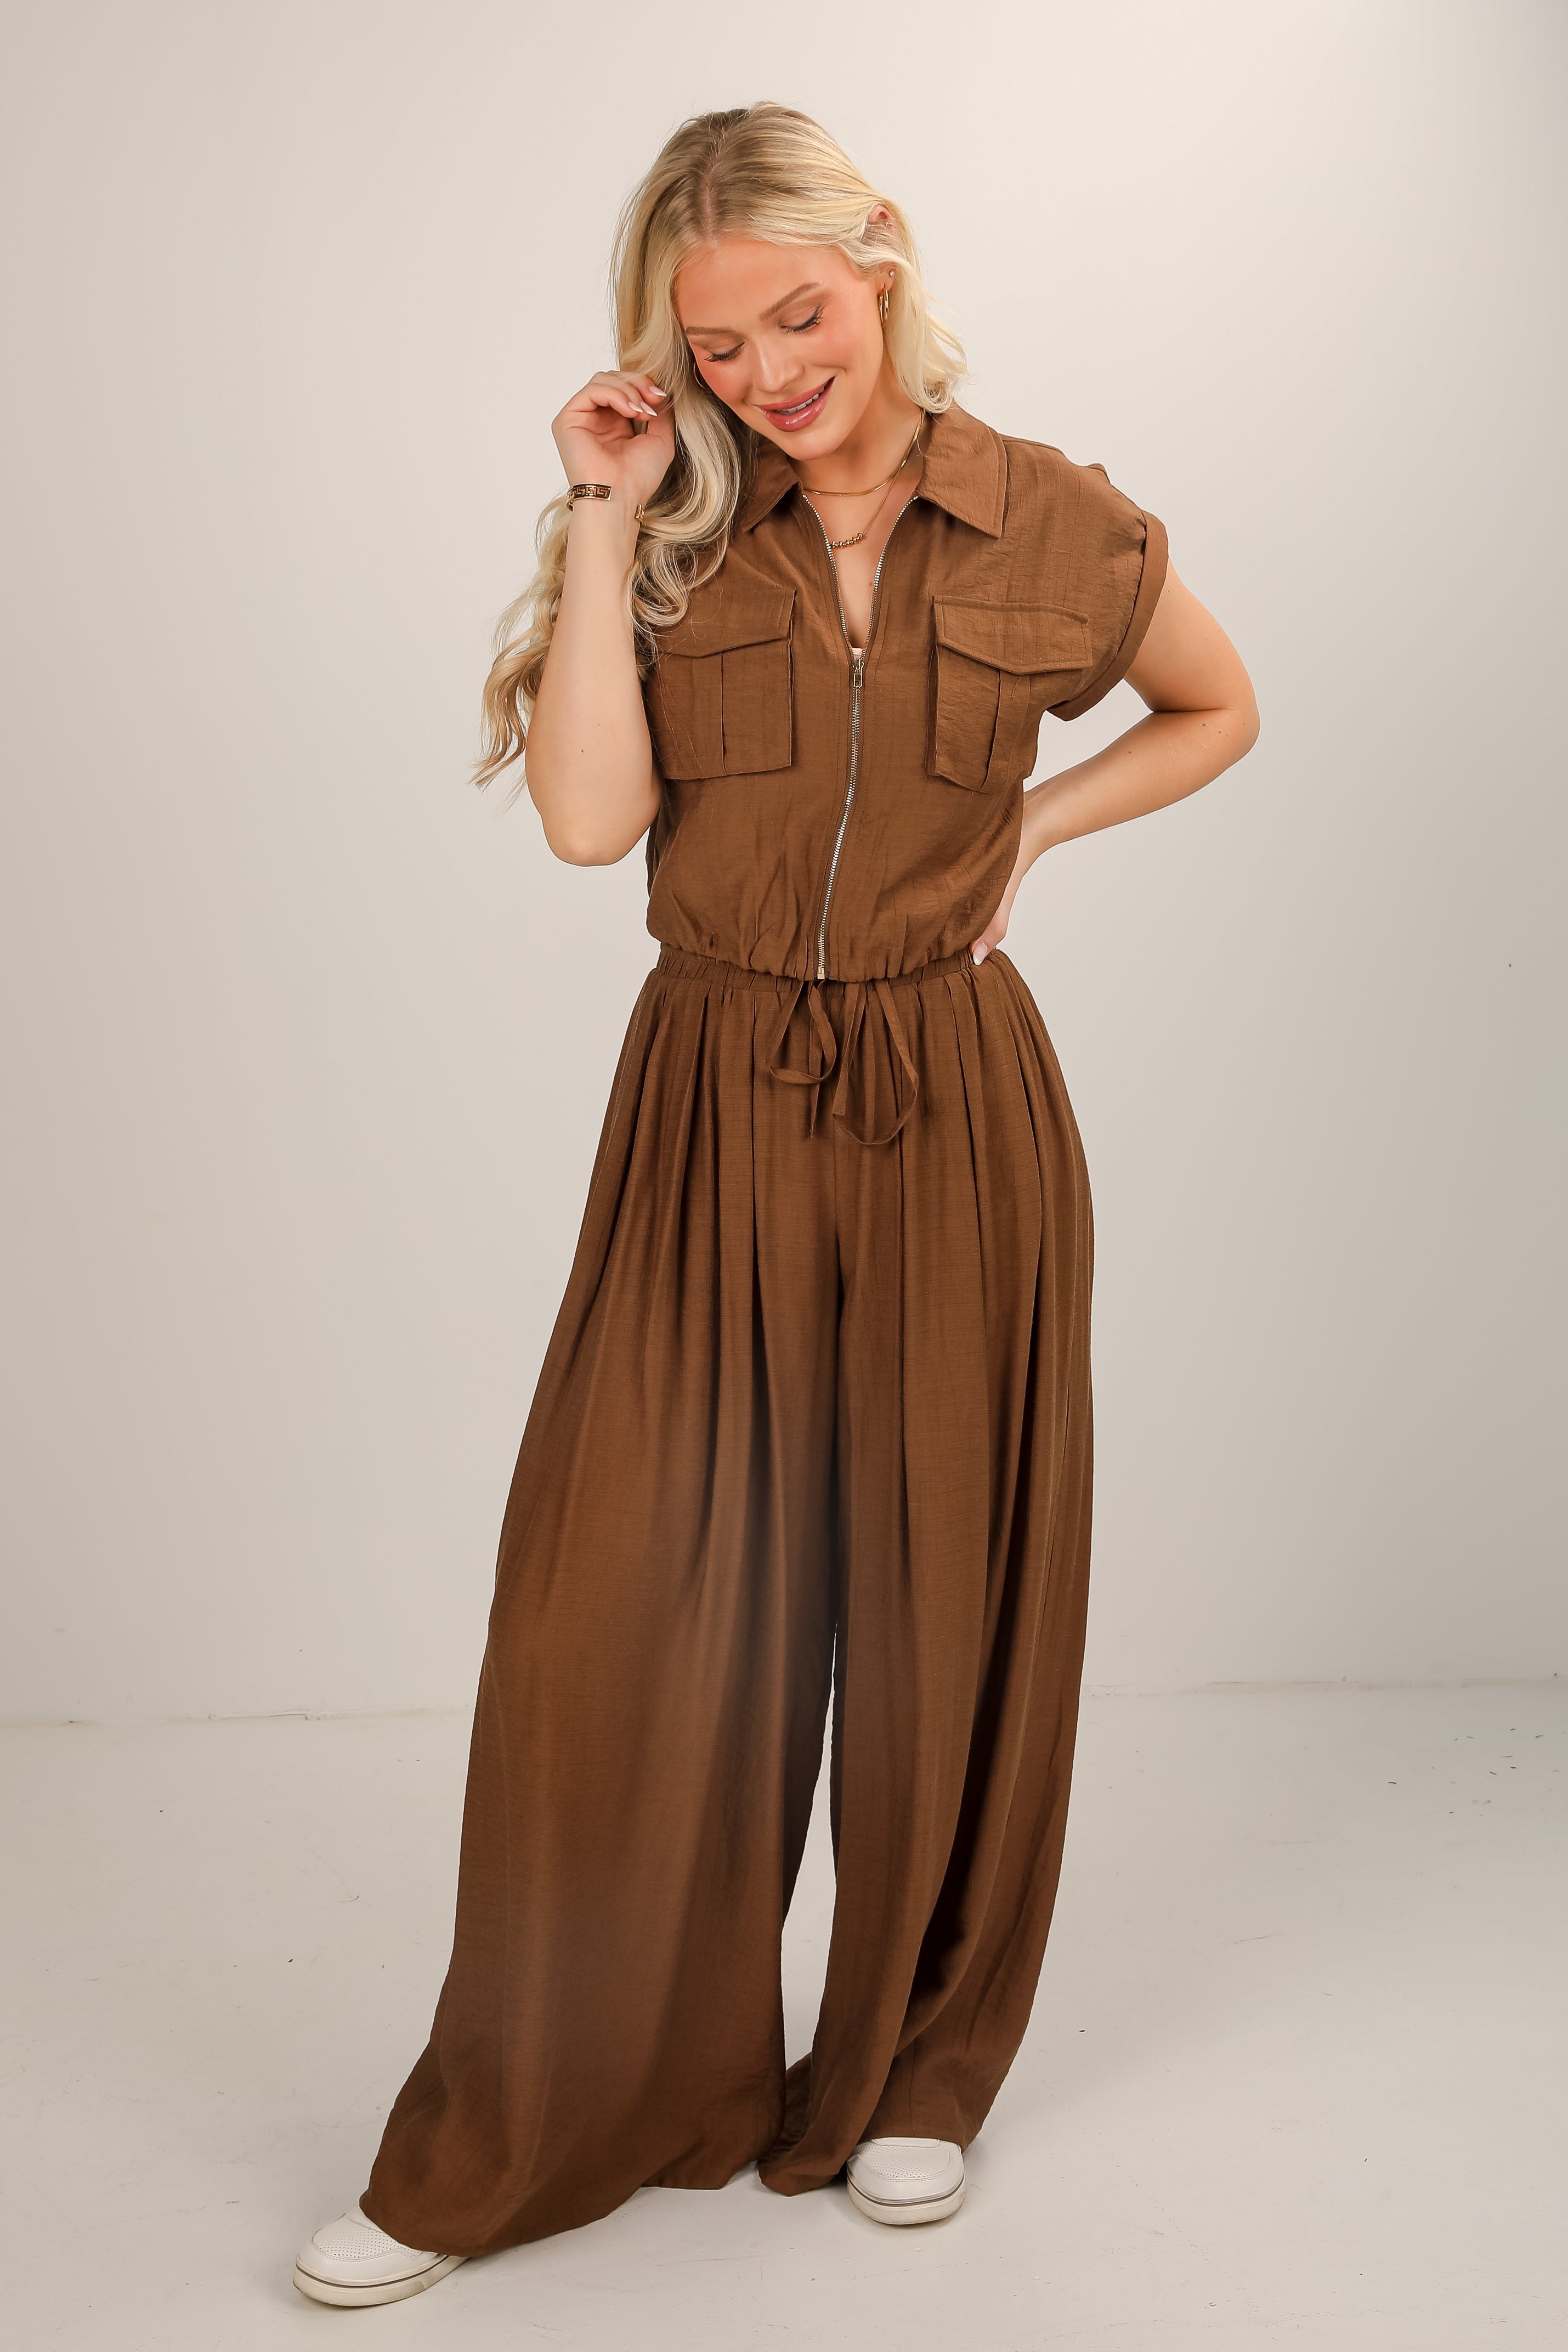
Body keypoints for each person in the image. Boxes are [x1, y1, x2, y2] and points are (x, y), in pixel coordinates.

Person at [291, 100, 1260, 2309]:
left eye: (793, 317)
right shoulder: (666, 534)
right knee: (618, 1612)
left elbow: (1217, 702)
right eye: (713, 345)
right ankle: (541, 2113)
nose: (764, 373)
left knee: (945, 1610)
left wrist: (1041, 834)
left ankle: (912, 2072)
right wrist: (601, 504)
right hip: (711, 1095)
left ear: (885, 259)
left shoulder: (1052, 518)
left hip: (956, 1100)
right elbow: (582, 822)